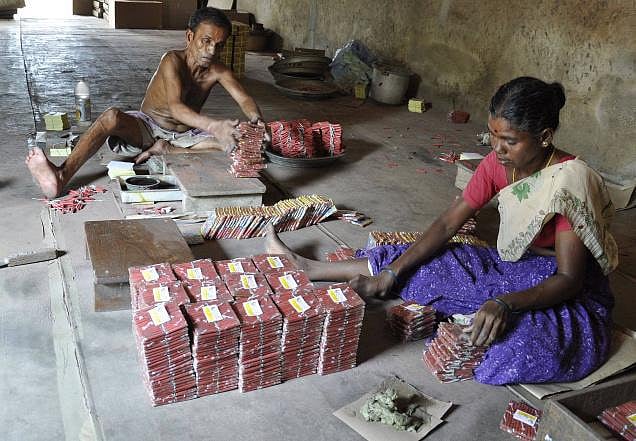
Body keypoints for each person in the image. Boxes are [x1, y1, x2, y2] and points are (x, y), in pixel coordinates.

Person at [265, 77, 618, 385]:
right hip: (513, 264)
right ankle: (313, 268)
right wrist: (391, 272)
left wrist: (504, 303)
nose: (497, 149)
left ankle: (489, 306)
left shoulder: (569, 183)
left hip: (563, 283)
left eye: (510, 140)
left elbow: (570, 278)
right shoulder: (498, 163)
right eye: (493, 135)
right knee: (434, 262)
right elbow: (449, 224)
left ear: (544, 137)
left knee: (524, 347)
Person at [26, 7, 266, 198]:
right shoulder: (172, 60)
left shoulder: (219, 71)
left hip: (186, 135)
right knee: (111, 117)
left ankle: (168, 150)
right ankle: (61, 175)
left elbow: (244, 99)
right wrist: (214, 126)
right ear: (189, 37)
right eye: (206, 41)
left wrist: (257, 120)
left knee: (242, 142)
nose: (212, 50)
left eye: (219, 45)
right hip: (148, 127)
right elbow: (176, 108)